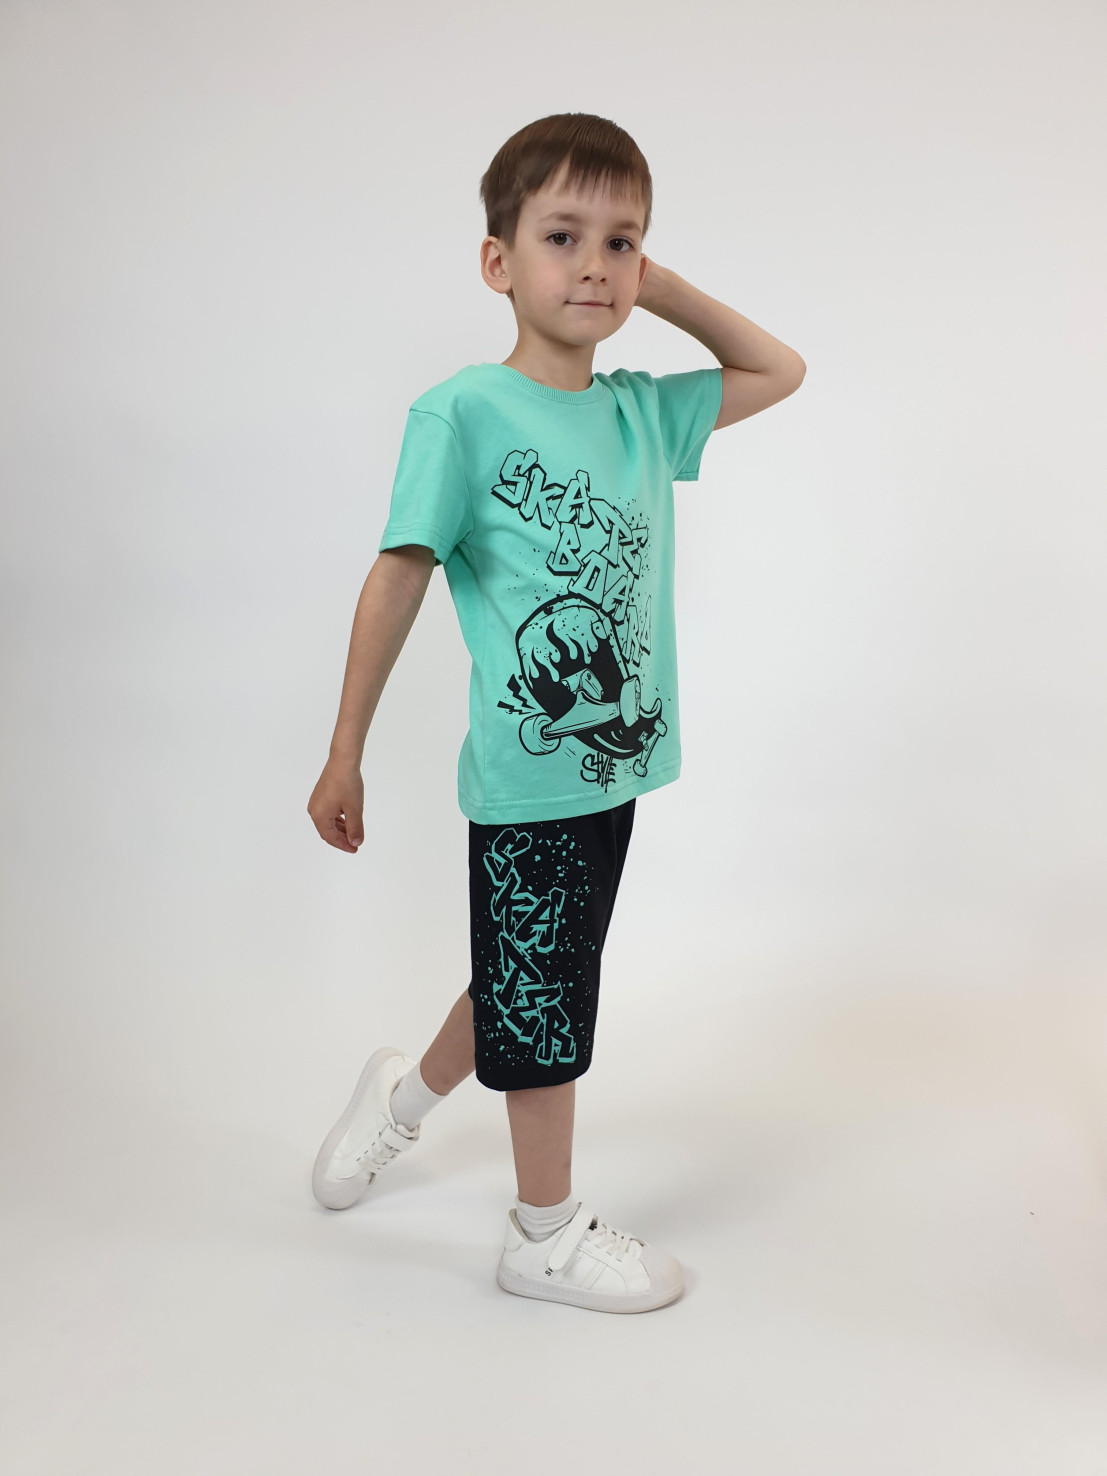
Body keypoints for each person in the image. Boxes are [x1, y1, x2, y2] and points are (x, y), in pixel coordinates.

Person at [306, 112, 805, 1314]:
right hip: (530, 773)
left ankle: (400, 1101)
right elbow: (399, 574)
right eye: (563, 237)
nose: (595, 265)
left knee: (532, 974)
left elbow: (777, 370)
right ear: (498, 261)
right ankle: (543, 1234)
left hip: (614, 767)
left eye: (620, 242)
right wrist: (344, 750)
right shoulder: (464, 414)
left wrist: (658, 286)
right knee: (545, 995)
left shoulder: (640, 413)